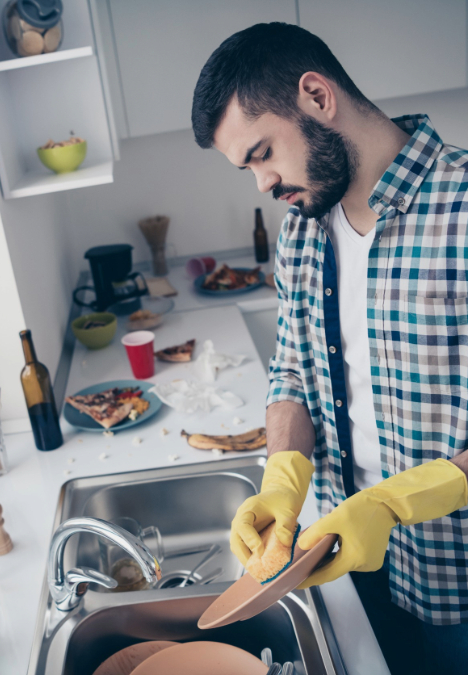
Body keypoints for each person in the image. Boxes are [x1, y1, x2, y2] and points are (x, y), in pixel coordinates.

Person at [191, 22, 468, 674]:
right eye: (247, 167)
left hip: (455, 580)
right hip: (346, 559)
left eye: (262, 153)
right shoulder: (301, 232)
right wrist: (282, 478)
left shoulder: (460, 207)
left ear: (316, 96)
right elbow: (291, 369)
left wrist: (397, 503)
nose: (261, 183)